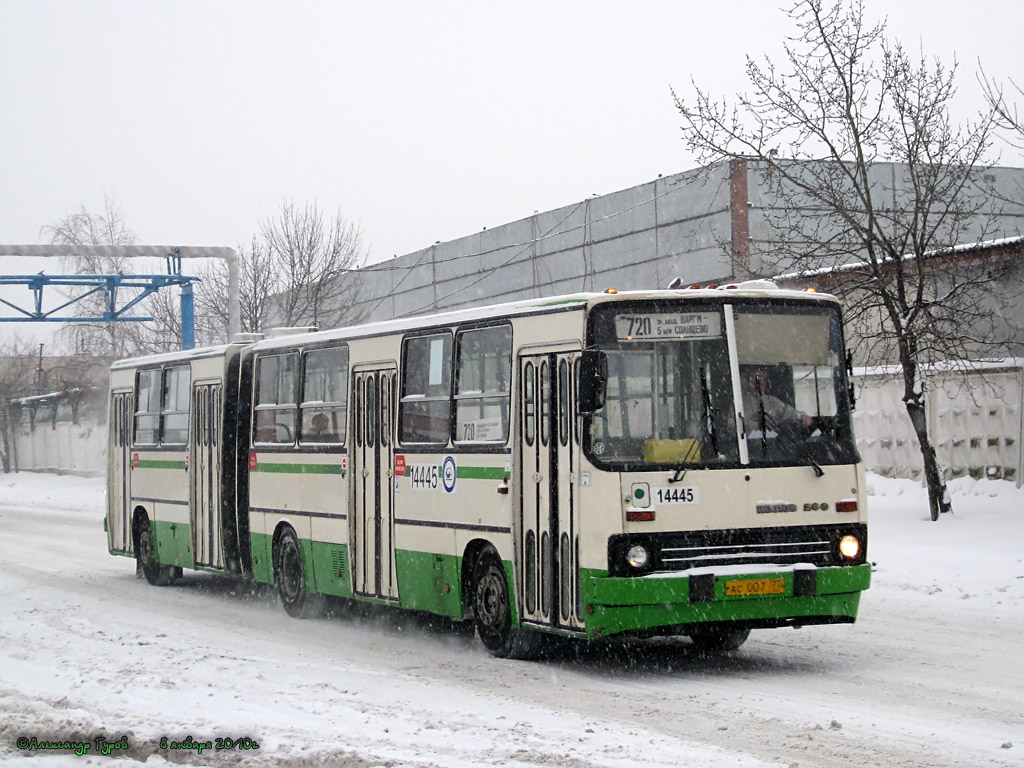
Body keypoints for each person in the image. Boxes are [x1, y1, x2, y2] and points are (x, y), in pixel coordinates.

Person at [741, 366, 813, 434]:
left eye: (763, 380)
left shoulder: (771, 401)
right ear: (748, 383)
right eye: (757, 380)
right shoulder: (740, 403)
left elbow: (789, 412)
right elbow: (733, 424)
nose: (760, 383)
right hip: (747, 445)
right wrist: (756, 426)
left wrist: (802, 416)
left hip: (773, 444)